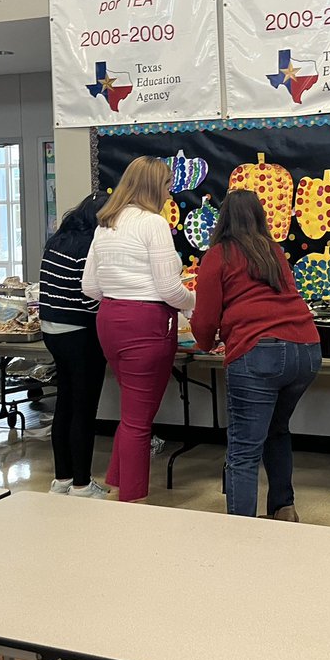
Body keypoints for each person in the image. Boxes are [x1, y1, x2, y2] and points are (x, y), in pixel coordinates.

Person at [190, 190, 321, 520]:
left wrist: (205, 344)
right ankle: (284, 509)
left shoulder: (218, 255)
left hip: (260, 353)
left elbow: (204, 320)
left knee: (243, 450)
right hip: (306, 350)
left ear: (223, 219)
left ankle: (242, 531)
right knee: (277, 430)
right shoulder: (273, 251)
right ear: (261, 217)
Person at [82, 156, 194, 503]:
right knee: (139, 421)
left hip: (110, 320)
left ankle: (117, 483)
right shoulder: (153, 223)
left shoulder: (106, 225)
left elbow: (90, 287)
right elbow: (169, 289)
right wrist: (195, 300)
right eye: (166, 186)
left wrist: (124, 293)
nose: (169, 194)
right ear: (152, 187)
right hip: (147, 324)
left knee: (131, 413)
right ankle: (132, 502)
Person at [41, 193, 109, 499]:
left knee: (65, 404)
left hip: (52, 331)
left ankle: (62, 479)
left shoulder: (57, 241)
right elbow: (90, 298)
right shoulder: (90, 246)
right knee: (84, 409)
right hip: (80, 334)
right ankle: (82, 484)